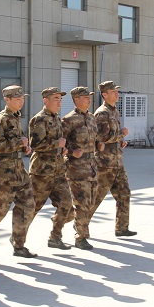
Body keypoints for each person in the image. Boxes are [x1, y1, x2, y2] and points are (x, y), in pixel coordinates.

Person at [0, 85, 37, 258]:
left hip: (18, 170)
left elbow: (17, 141)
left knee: (28, 205)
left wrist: (24, 148)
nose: (21, 102)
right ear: (7, 100)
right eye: (17, 99)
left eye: (22, 98)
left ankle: (18, 244)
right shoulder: (1, 119)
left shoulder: (15, 118)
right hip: (3, 173)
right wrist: (18, 143)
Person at [28, 87, 74, 250]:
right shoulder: (39, 119)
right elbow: (35, 145)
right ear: (45, 100)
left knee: (67, 204)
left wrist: (63, 149)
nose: (59, 102)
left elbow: (57, 144)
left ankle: (55, 237)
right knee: (32, 208)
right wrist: (57, 144)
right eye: (56, 98)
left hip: (58, 171)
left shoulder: (57, 119)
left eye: (60, 99)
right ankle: (18, 239)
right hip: (42, 172)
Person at [92, 81, 136, 237]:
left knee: (124, 194)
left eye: (117, 91)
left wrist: (120, 141)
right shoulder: (102, 113)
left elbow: (112, 137)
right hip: (104, 164)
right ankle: (81, 228)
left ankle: (122, 228)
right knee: (96, 198)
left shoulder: (114, 111)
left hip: (117, 161)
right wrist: (122, 134)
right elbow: (102, 137)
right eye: (113, 91)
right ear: (104, 94)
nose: (117, 94)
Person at [62, 86, 98, 250]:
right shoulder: (68, 120)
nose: (89, 99)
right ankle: (81, 237)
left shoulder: (91, 118)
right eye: (86, 97)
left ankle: (64, 223)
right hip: (76, 168)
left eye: (89, 96)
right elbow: (60, 146)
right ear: (76, 100)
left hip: (92, 166)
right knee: (82, 203)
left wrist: (99, 144)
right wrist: (70, 152)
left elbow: (93, 139)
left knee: (90, 202)